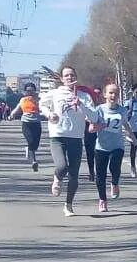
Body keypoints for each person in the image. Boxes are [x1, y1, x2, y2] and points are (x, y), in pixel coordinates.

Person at [39, 67, 98, 216]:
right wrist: (49, 114)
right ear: (61, 78)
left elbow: (94, 117)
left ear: (76, 77)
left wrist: (82, 105)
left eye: (72, 75)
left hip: (76, 138)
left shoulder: (84, 96)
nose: (69, 78)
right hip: (58, 135)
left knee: (74, 175)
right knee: (62, 166)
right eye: (66, 75)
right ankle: (57, 178)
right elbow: (42, 104)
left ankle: (68, 205)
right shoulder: (55, 93)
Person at [91, 84, 134, 213]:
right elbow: (91, 129)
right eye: (110, 93)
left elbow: (125, 125)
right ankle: (102, 200)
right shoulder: (98, 110)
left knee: (115, 168)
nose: (113, 96)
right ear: (105, 95)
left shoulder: (122, 110)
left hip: (117, 145)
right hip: (101, 146)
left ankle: (115, 183)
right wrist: (99, 127)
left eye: (115, 93)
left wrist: (133, 138)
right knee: (101, 175)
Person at [8, 83, 43, 170]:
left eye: (31, 90)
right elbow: (17, 109)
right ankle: (34, 161)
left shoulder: (39, 100)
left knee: (36, 144)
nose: (30, 92)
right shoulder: (23, 100)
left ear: (35, 91)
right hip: (26, 123)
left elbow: (44, 109)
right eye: (28, 91)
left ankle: (30, 149)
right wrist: (11, 115)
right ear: (25, 92)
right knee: (30, 141)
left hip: (36, 123)